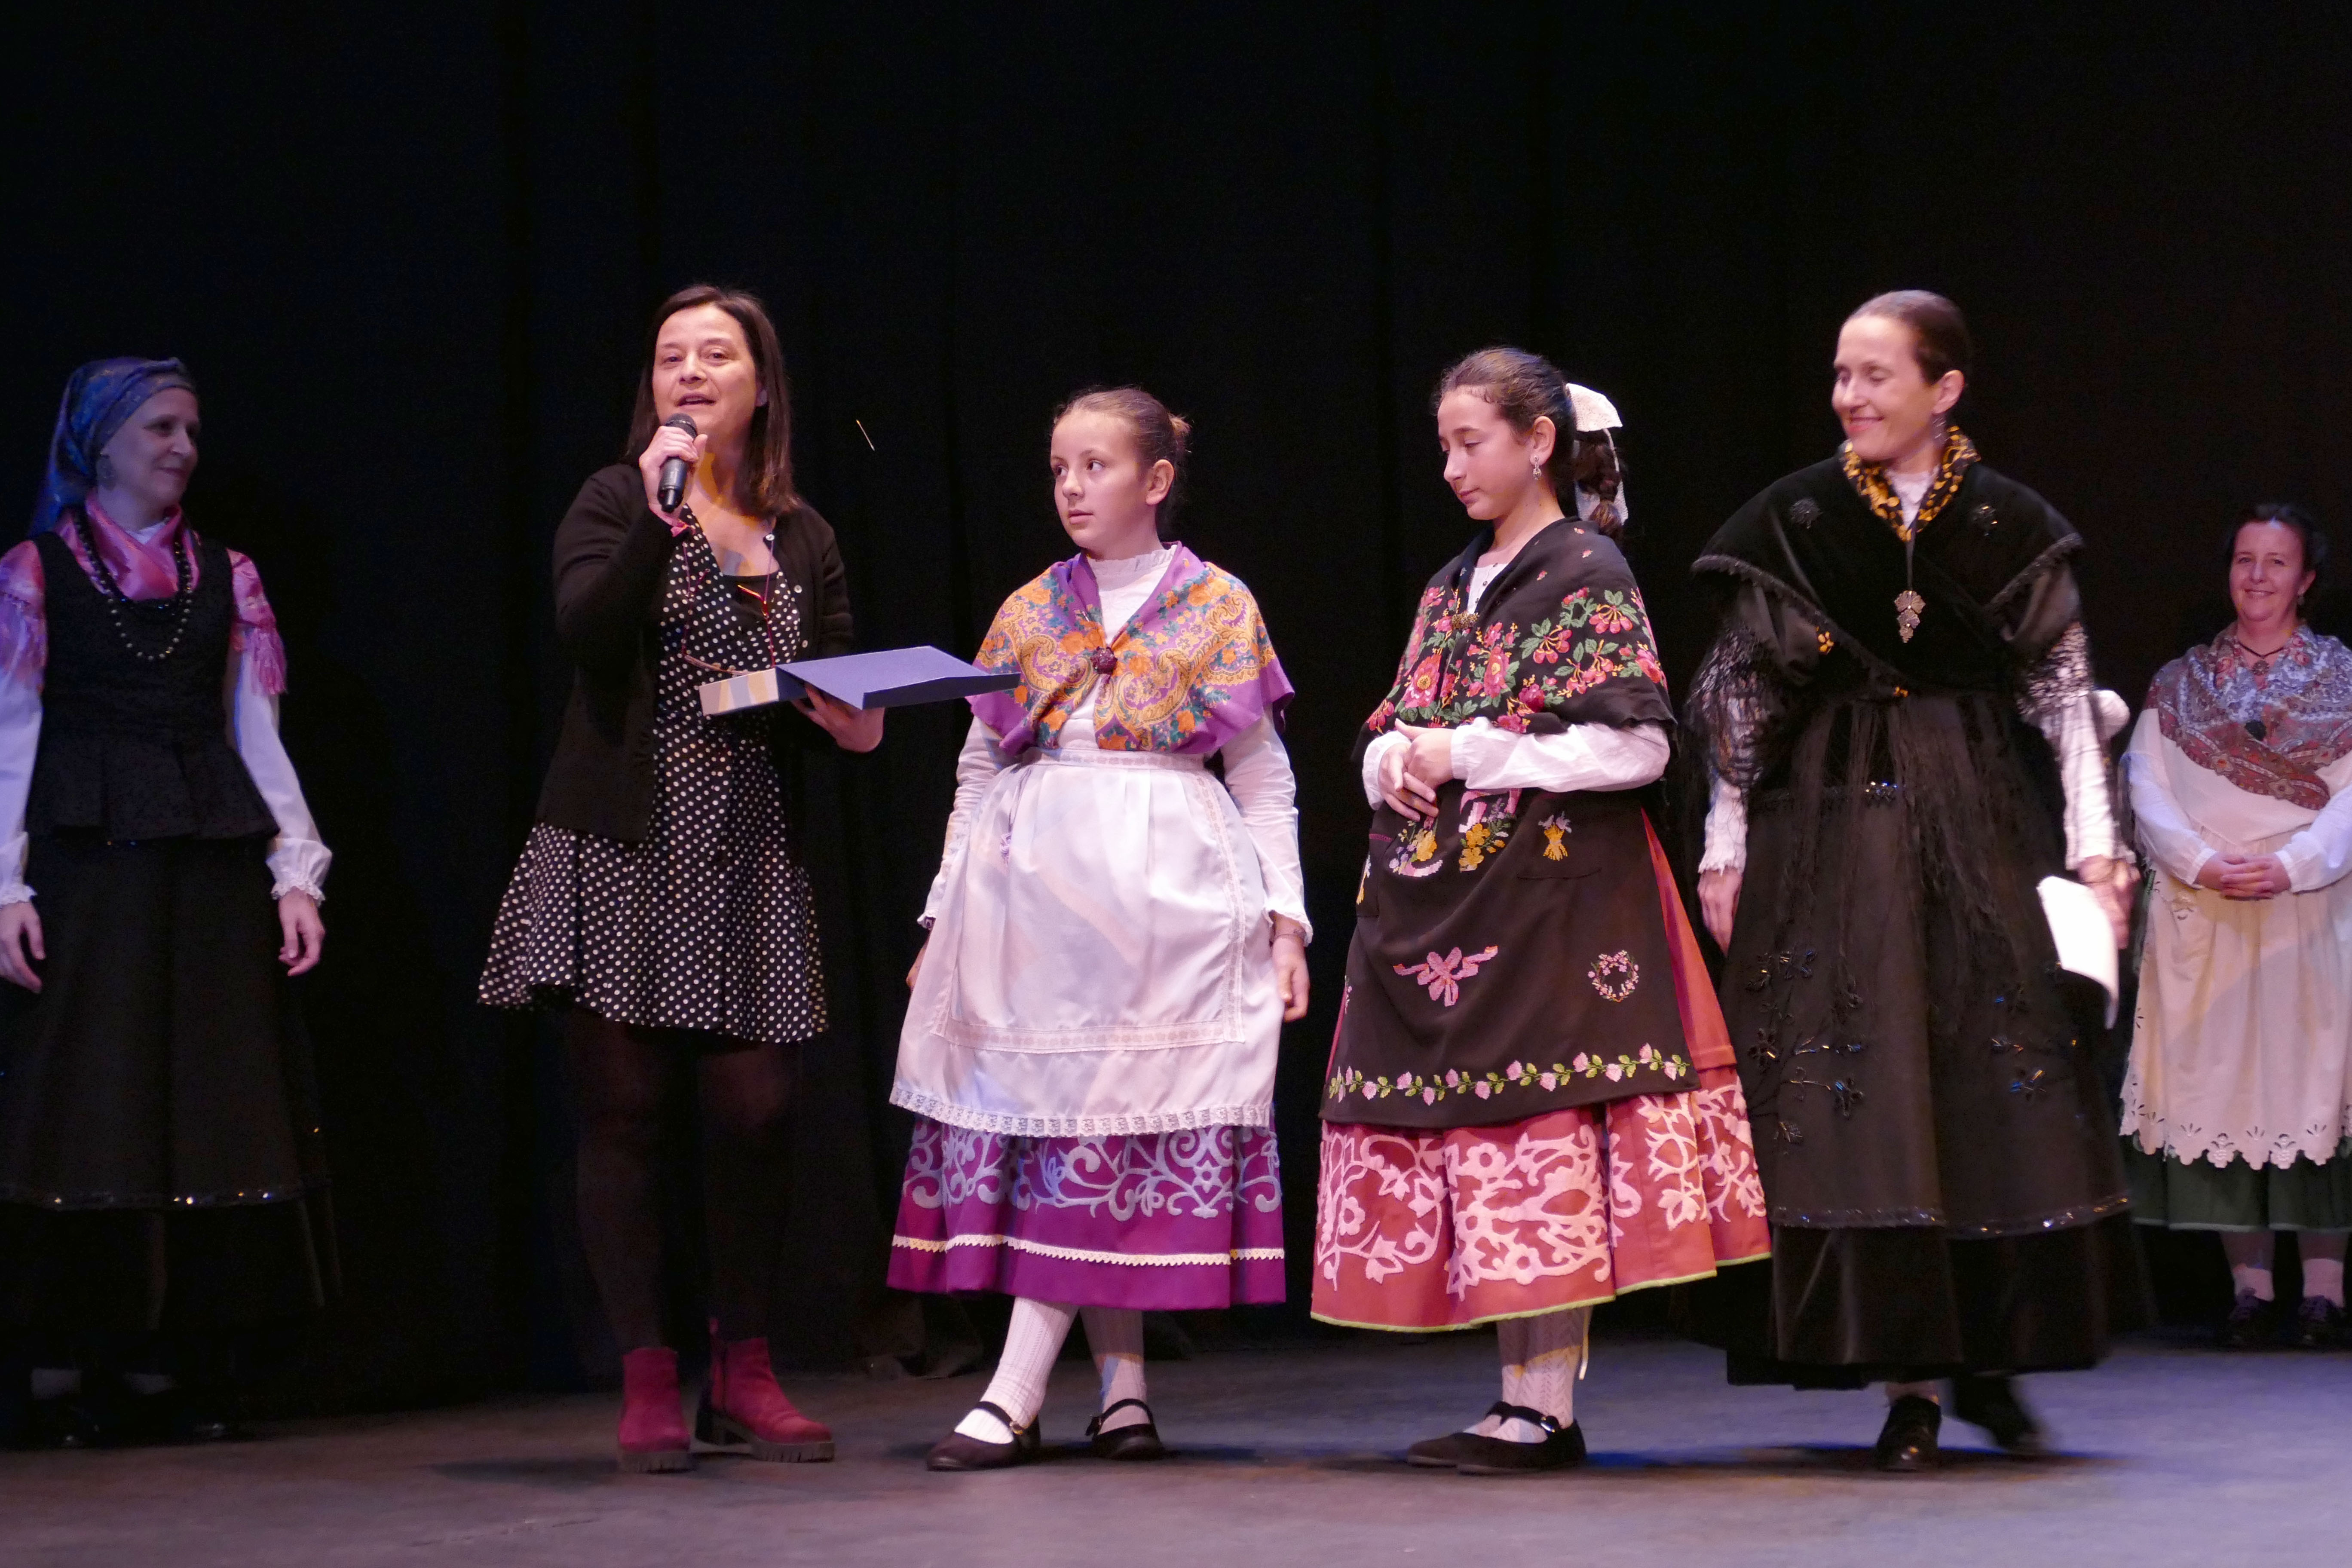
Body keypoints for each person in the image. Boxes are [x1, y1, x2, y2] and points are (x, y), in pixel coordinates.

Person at [1686, 291, 2144, 1470]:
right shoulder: (1794, 520)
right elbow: (1741, 705)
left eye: (1878, 374)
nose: (1851, 396)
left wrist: (2098, 850)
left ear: (1945, 389)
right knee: (1870, 1096)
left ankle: (1985, 1357)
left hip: (1980, 826)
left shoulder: (2007, 525)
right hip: (1832, 837)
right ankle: (1910, 1382)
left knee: (1979, 1085)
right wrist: (1725, 846)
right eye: (1841, 373)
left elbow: (2062, 693)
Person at [1315, 349, 1770, 1475]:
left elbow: (1641, 741)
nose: (1453, 466)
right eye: (1445, 446)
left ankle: (1545, 1410)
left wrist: (1469, 749)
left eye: (1473, 442)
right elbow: (1400, 714)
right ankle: (1515, 1399)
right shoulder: (1451, 585)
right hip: (1457, 900)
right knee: (1491, 1131)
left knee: (1548, 1129)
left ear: (1538, 443)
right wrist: (1390, 764)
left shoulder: (1586, 570)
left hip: (1557, 899)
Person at [480, 285, 880, 1472]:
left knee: (758, 1114)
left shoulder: (801, 531)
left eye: (718, 355)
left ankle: (742, 1370)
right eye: (671, 358)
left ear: (763, 384)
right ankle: (649, 1376)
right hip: (623, 837)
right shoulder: (616, 499)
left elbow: (841, 681)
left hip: (747, 848)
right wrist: (663, 516)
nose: (692, 374)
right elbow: (588, 633)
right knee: (627, 1114)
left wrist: (855, 721)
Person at [889, 386, 1308, 1470]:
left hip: (1169, 896)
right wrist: (941, 915)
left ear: (1156, 480)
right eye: (1060, 467)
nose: (1072, 486)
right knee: (1067, 1127)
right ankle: (1122, 1390)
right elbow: (980, 767)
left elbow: (1263, 776)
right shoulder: (1032, 609)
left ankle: (1015, 1393)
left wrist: (1287, 920)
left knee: (1113, 1124)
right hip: (1036, 909)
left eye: (1096, 466)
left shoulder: (1217, 604)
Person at [0, 358, 332, 1445]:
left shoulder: (225, 574)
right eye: (159, 428)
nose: (183, 447)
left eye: (191, 428)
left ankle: (202, 1359)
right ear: (100, 443)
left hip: (204, 858)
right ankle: (84, 1363)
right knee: (93, 1108)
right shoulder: (39, 571)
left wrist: (295, 870)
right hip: (90, 864)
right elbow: (10, 741)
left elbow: (258, 736)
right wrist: (3, 885)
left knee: (210, 1107)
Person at [2119, 505, 2352, 1350]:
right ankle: (2249, 1290)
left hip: (2308, 906)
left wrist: (2292, 865)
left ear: (2307, 579)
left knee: (2314, 1088)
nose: (2258, 577)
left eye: (2277, 563)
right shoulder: (2181, 683)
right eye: (2245, 561)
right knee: (2223, 1087)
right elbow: (2146, 782)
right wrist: (2202, 860)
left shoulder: (2343, 679)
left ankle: (2323, 1294)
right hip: (2207, 903)